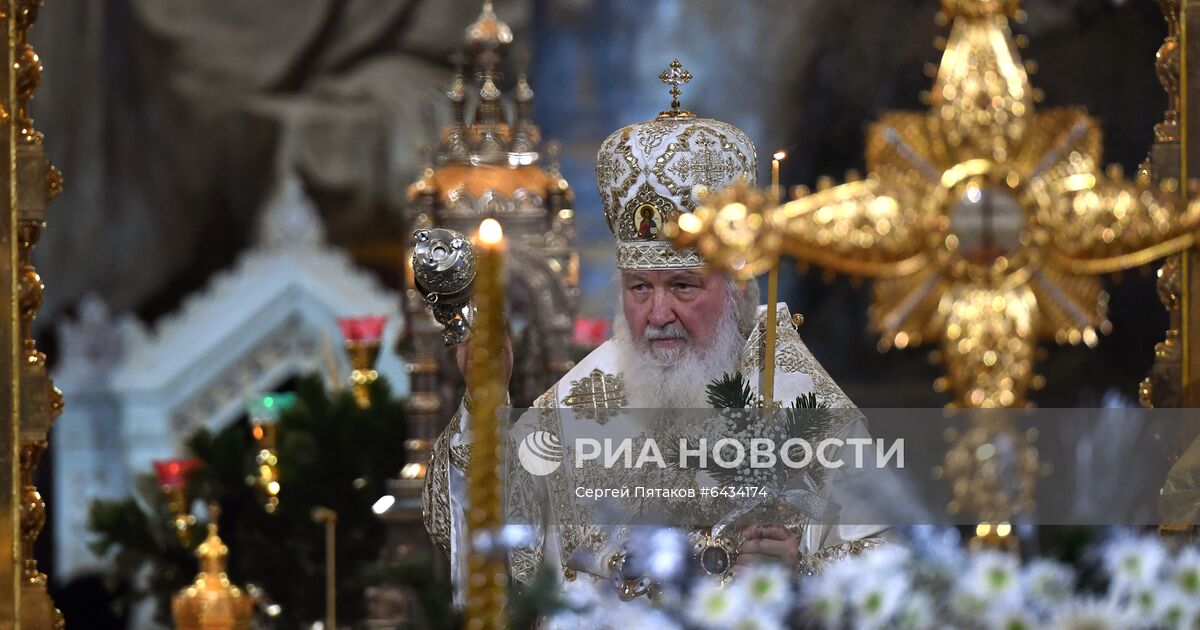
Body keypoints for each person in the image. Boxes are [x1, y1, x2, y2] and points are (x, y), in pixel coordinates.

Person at [422, 65, 887, 604]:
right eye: (639, 288)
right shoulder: (586, 395)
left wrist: (800, 570)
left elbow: (885, 572)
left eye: (684, 287)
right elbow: (471, 528)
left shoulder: (799, 399)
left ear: (735, 286)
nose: (658, 313)